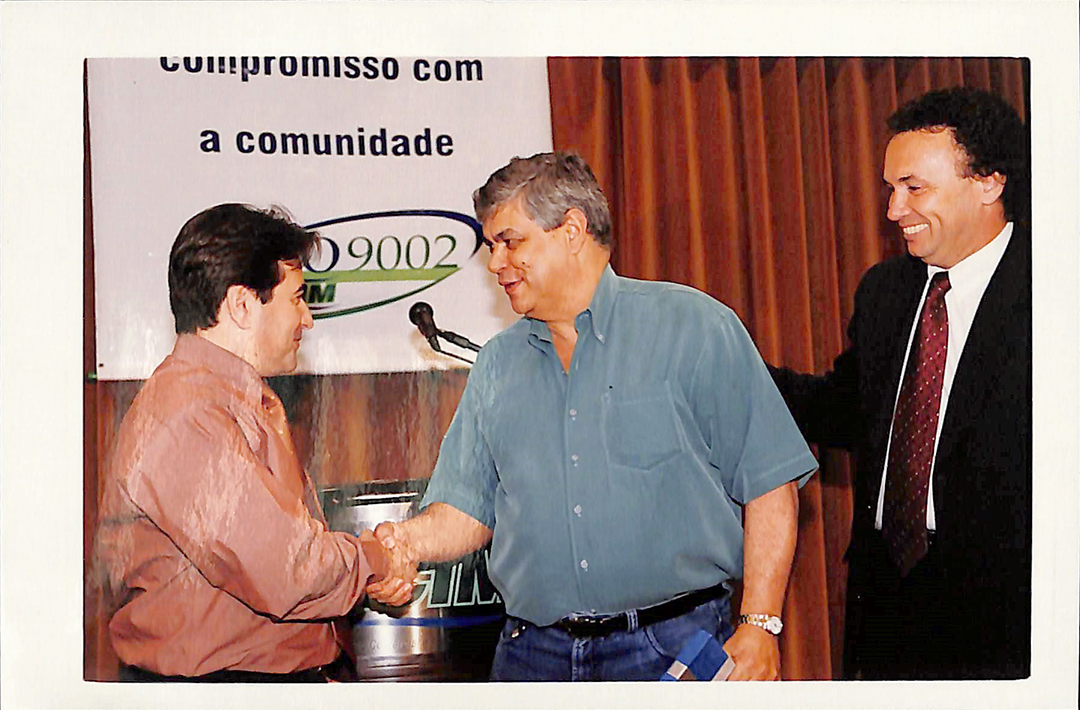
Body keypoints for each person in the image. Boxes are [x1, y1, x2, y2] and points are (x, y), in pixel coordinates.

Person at [366, 153, 818, 681]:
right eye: (491, 247)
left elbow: (770, 483)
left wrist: (760, 624)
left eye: (510, 242)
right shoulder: (497, 364)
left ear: (572, 231)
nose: (494, 264)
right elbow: (466, 508)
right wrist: (403, 545)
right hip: (532, 657)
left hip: (671, 645)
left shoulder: (694, 328)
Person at [769, 87, 1031, 679]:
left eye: (914, 188)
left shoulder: (1050, 297)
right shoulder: (886, 291)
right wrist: (735, 370)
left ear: (988, 183)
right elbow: (846, 412)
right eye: (891, 188)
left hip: (1002, 615)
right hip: (885, 601)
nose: (894, 210)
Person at [96, 203, 409, 681]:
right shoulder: (189, 414)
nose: (307, 319)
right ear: (242, 305)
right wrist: (377, 560)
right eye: (297, 298)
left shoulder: (225, 401)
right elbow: (288, 570)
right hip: (221, 689)